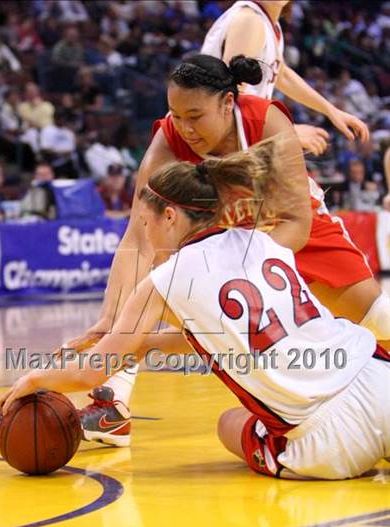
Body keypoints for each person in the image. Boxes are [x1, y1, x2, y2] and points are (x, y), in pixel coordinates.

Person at [1, 141, 390, 480]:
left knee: (228, 424)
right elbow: (236, 335)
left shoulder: (165, 279)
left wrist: (37, 379)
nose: (145, 236)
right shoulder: (261, 240)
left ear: (169, 216)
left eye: (144, 223)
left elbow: (92, 372)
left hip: (328, 439)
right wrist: (142, 346)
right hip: (378, 376)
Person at [64, 55, 389, 445]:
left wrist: (239, 264)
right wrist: (111, 319)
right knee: (153, 302)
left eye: (195, 116)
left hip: (289, 227)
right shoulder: (168, 143)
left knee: (376, 318)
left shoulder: (265, 119)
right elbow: (137, 238)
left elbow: (297, 224)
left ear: (228, 103)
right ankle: (112, 401)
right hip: (221, 236)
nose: (184, 127)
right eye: (175, 115)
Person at [201, 1, 369, 156]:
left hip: (233, 137)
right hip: (215, 142)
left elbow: (281, 74)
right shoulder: (250, 21)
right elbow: (227, 99)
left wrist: (331, 111)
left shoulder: (268, 23)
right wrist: (285, 132)